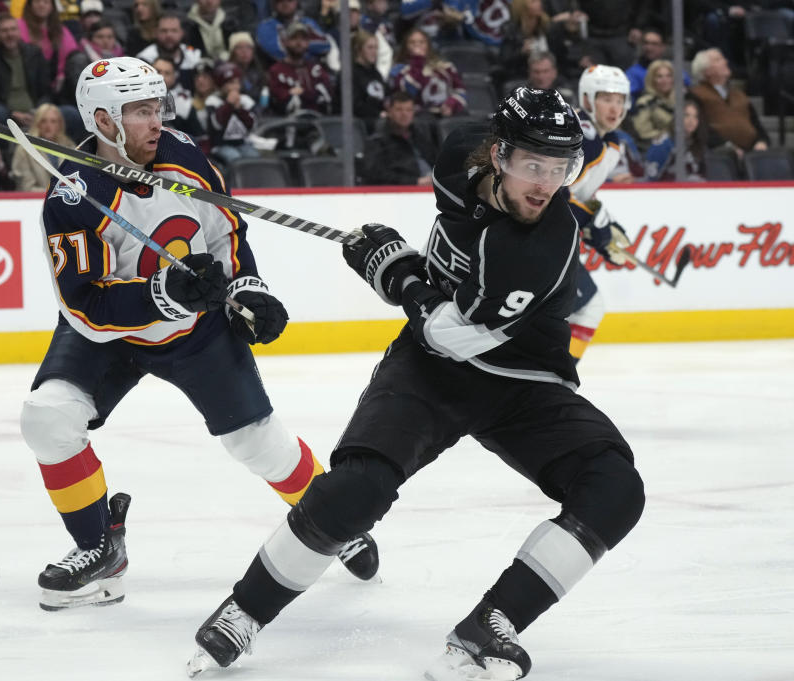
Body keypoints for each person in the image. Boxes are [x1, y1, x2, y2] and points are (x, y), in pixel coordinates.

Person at [186, 87, 644, 681]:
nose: (546, 184)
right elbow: (438, 323)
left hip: (520, 378)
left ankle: (491, 625)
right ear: (497, 155)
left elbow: (455, 335)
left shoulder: (544, 243)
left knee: (614, 490)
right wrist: (402, 269)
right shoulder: (457, 156)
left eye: (560, 169)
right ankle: (242, 612)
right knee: (356, 491)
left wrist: (396, 273)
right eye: (534, 164)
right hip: (429, 373)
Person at [19, 56, 379, 611]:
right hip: (111, 335)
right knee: (48, 417)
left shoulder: (182, 154)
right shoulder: (71, 198)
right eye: (140, 111)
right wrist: (161, 293)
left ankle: (333, 520)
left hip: (195, 332)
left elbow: (226, 231)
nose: (156, 121)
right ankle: (98, 550)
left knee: (259, 444)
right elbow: (85, 304)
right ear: (104, 122)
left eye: (156, 107)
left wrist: (247, 288)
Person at [565, 64, 635, 361]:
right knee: (585, 308)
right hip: (533, 236)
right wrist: (594, 223)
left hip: (552, 239)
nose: (614, 107)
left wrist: (602, 221)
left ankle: (549, 378)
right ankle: (551, 379)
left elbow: (581, 194)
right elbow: (552, 196)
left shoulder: (611, 142)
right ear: (588, 99)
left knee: (584, 309)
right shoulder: (583, 137)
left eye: (619, 100)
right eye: (606, 98)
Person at [689, 47, 769, 159]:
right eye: (718, 60)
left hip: (751, 152)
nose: (725, 61)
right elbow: (700, 126)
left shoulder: (740, 95)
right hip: (719, 155)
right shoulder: (696, 94)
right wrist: (725, 146)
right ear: (706, 71)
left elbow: (756, 123)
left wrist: (762, 141)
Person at [361, 90, 436, 185]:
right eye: (399, 109)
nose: (404, 114)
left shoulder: (421, 136)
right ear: (390, 111)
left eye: (408, 110)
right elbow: (376, 175)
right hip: (401, 193)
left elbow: (435, 161)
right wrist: (415, 182)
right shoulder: (377, 141)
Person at [0, 13, 52, 128]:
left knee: (69, 113)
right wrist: (13, 114)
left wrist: (37, 112)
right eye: (4, 31)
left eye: (13, 29)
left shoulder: (34, 54)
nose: (10, 34)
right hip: (6, 113)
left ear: (19, 32)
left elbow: (46, 91)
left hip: (35, 110)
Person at [389, 28, 466, 118]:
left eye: (421, 42)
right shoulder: (398, 70)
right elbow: (408, 93)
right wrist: (418, 61)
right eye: (412, 42)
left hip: (446, 112)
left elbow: (460, 91)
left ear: (428, 45)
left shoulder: (445, 68)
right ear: (406, 47)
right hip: (418, 116)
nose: (417, 45)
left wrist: (451, 104)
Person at [266, 21, 335, 116]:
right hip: (286, 125)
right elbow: (279, 99)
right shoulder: (276, 70)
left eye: (303, 39)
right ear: (285, 42)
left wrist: (300, 93)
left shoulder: (316, 69)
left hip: (318, 123)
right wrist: (309, 94)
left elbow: (326, 95)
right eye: (294, 38)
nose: (299, 43)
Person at [10, 102, 74, 191]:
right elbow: (26, 188)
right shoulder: (24, 150)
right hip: (34, 202)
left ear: (59, 125)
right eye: (43, 121)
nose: (48, 126)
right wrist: (56, 194)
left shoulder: (70, 147)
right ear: (37, 123)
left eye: (53, 121)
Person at [205, 61, 260, 163]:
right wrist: (229, 105)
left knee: (254, 157)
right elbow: (217, 125)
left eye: (237, 82)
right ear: (221, 85)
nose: (235, 86)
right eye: (230, 83)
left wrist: (239, 109)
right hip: (220, 145)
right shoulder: (213, 101)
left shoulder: (246, 100)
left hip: (243, 143)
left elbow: (253, 124)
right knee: (235, 158)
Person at [643, 95, 707, 182]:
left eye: (695, 117)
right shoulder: (665, 143)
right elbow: (651, 177)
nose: (691, 120)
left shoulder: (696, 144)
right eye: (686, 115)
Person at [137, 11, 203, 90]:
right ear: (156, 33)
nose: (169, 35)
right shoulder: (144, 59)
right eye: (164, 31)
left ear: (182, 33)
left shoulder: (193, 54)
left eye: (174, 30)